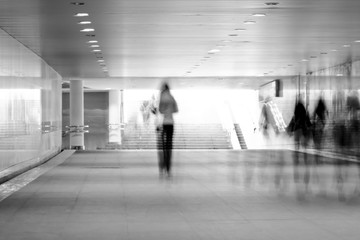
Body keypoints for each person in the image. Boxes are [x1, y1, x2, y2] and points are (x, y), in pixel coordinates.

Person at [158, 82, 178, 178]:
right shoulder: (172, 97)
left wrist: (165, 110)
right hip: (171, 123)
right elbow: (176, 110)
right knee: (169, 146)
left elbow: (160, 110)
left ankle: (163, 167)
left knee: (163, 146)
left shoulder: (162, 96)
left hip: (164, 123)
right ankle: (168, 169)